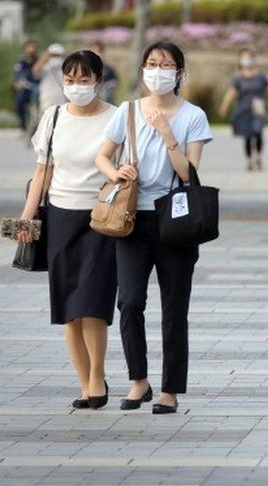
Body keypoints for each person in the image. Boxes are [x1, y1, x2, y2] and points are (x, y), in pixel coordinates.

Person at [95, 41, 213, 415]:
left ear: (179, 72)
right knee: (129, 302)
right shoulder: (127, 111)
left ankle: (170, 389)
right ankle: (138, 380)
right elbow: (101, 155)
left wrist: (166, 131)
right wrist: (116, 172)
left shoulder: (193, 115)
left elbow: (188, 173)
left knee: (174, 306)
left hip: (174, 220)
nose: (157, 71)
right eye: (151, 63)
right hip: (131, 219)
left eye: (166, 65)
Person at [14, 50, 118, 410]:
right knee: (68, 308)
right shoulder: (54, 116)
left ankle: (97, 378)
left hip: (100, 220)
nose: (76, 87)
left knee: (93, 302)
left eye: (84, 79)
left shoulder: (116, 119)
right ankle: (85, 381)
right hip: (60, 217)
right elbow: (42, 173)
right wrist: (27, 220)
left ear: (99, 81)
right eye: (70, 80)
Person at [219, 48, 268, 172]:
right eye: (244, 57)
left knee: (258, 131)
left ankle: (258, 156)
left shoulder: (261, 77)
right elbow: (231, 93)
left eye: (248, 57)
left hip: (259, 107)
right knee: (247, 134)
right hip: (243, 108)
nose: (246, 60)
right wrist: (225, 105)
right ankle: (249, 159)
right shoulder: (238, 78)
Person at [32, 44, 68, 130]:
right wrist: (43, 59)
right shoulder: (45, 66)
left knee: (61, 122)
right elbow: (35, 72)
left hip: (62, 97)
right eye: (53, 55)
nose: (55, 58)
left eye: (57, 55)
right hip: (47, 97)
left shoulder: (66, 66)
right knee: (46, 123)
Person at [12, 40, 39, 133]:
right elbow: (17, 73)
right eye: (29, 47)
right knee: (19, 101)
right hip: (25, 86)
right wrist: (16, 83)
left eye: (33, 47)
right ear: (25, 49)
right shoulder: (21, 61)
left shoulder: (39, 60)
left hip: (37, 85)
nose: (31, 50)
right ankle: (22, 123)